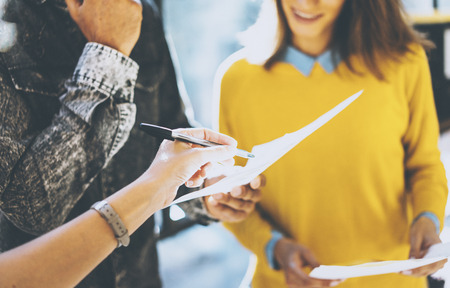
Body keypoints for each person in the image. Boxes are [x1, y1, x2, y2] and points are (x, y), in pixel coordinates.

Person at [0, 0, 263, 287]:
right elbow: (32, 207)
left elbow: (170, 132)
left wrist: (206, 189)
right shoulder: (7, 22)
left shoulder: (142, 13)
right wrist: (108, 55)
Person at [214, 0, 448, 287]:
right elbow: (229, 199)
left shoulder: (404, 62)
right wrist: (274, 246)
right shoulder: (236, 80)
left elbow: (424, 164)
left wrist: (428, 219)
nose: (304, 2)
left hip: (392, 279)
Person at [0, 128, 240, 288]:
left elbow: (178, 149)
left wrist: (205, 187)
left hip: (141, 277)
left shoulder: (148, 50)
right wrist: (155, 187)